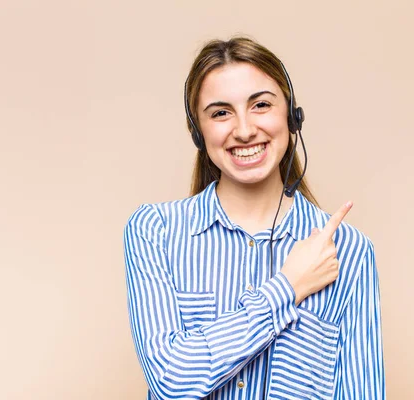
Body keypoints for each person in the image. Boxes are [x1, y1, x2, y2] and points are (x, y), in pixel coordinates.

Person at [123, 36, 385, 400]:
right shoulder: (156, 232)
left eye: (260, 105)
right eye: (220, 112)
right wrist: (287, 288)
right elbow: (172, 380)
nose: (244, 130)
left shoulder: (348, 251)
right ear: (198, 133)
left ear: (292, 117)